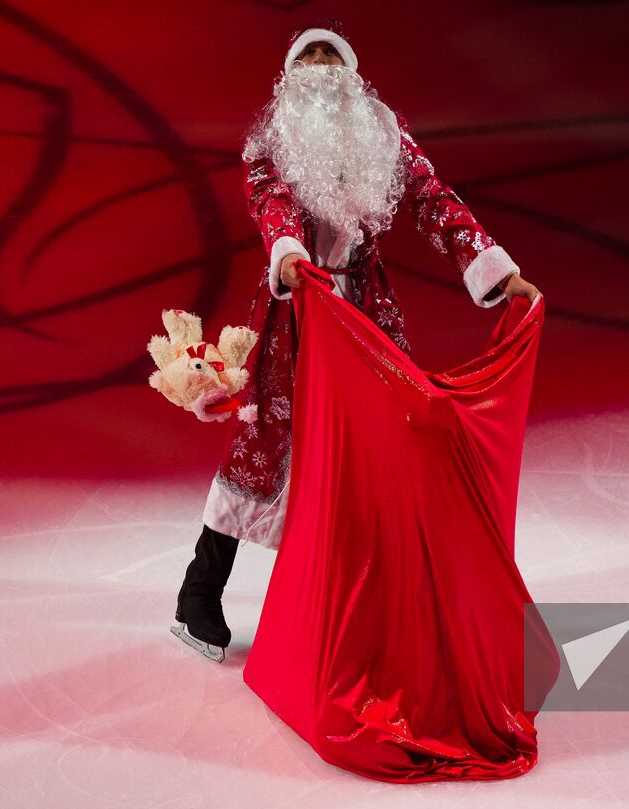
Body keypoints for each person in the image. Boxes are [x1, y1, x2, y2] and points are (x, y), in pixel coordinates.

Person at [171, 20, 540, 661]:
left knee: (382, 441)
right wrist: (288, 256)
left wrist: (498, 271)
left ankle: (365, 600)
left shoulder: (384, 138)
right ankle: (198, 594)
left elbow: (435, 200)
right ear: (290, 77)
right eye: (307, 55)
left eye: (330, 54)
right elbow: (272, 203)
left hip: (364, 309)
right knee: (267, 448)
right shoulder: (271, 144)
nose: (319, 64)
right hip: (296, 312)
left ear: (351, 73)